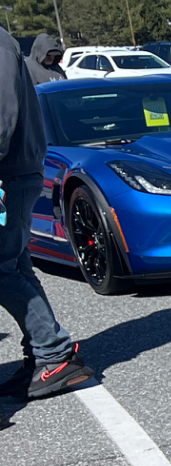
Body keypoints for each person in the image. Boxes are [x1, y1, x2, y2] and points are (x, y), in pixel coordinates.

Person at [0, 26, 90, 400]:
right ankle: (44, 355)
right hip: (14, 171)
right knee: (15, 266)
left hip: (10, 173)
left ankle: (54, 353)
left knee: (2, 269)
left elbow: (3, 113)